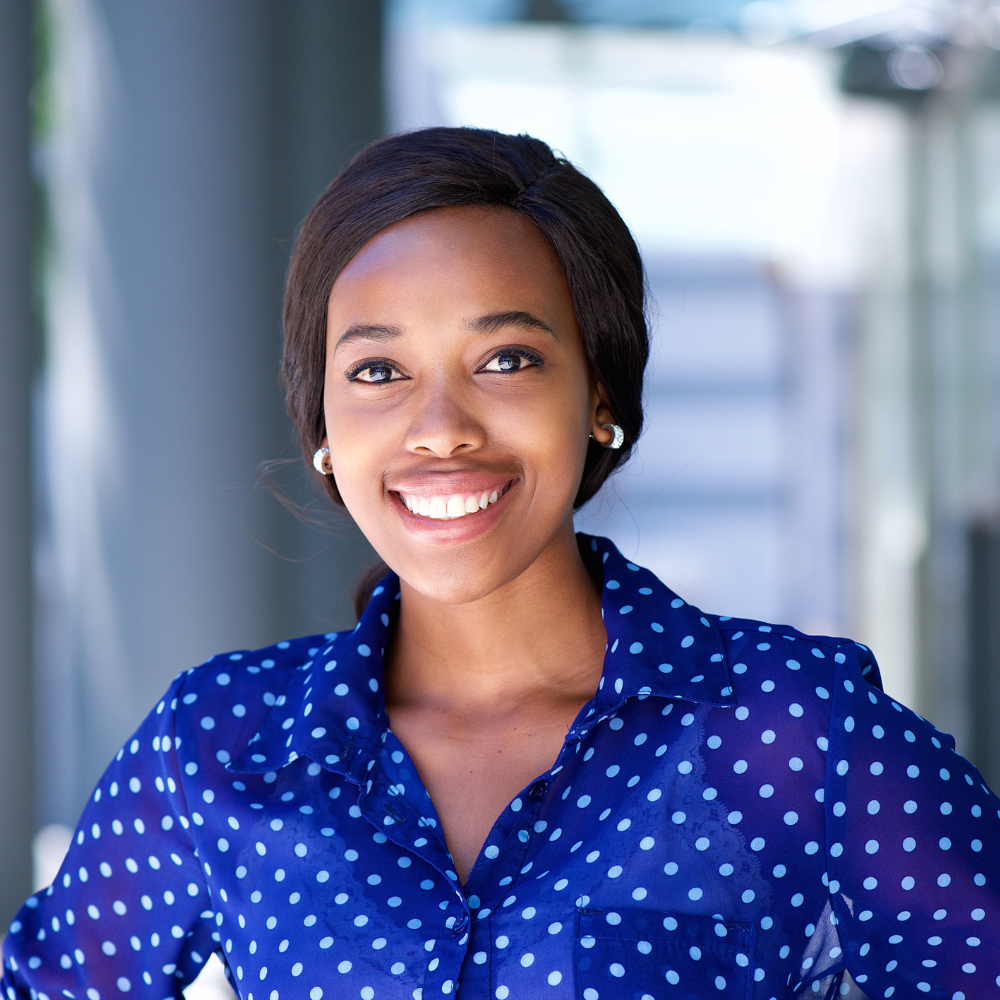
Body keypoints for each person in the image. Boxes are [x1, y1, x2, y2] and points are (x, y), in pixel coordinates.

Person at [3, 127, 997, 1000]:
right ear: (322, 429)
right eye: (378, 371)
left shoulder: (794, 731)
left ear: (597, 392)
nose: (439, 429)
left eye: (506, 359)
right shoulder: (219, 742)